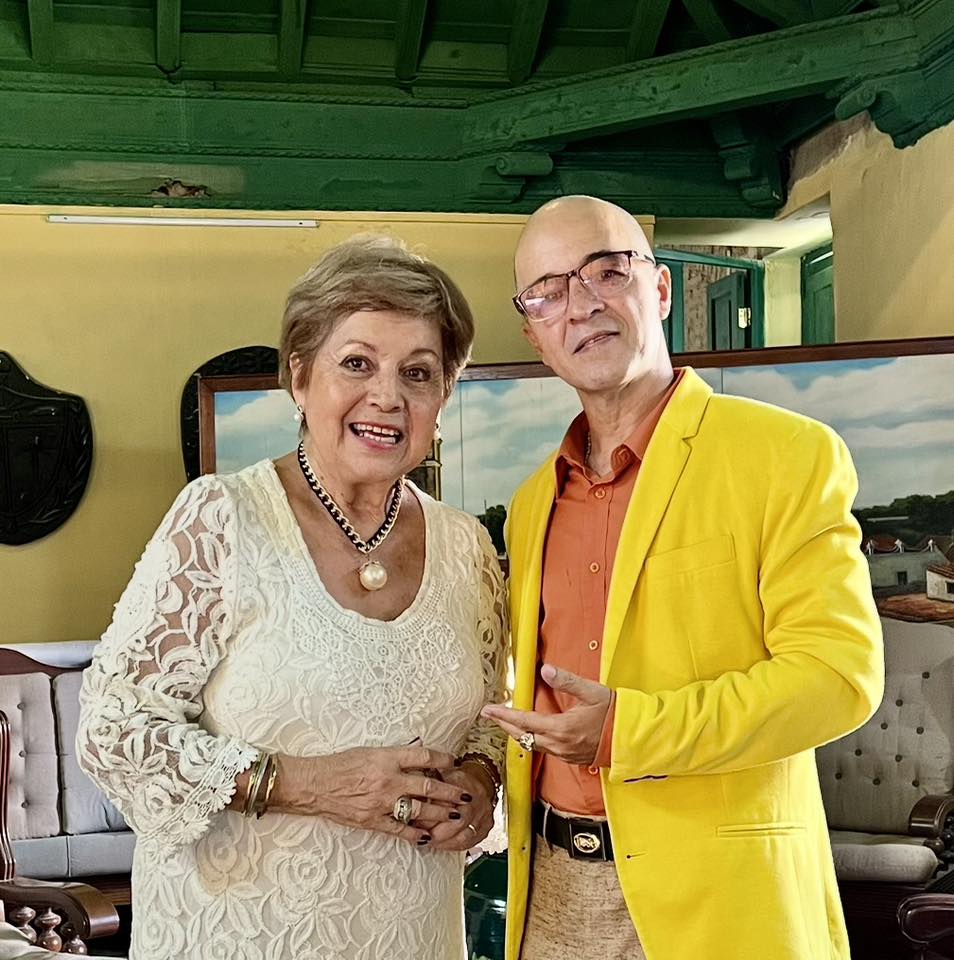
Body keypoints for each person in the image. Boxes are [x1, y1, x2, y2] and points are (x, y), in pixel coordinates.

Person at [76, 236, 508, 960]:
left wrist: (479, 784)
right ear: (300, 377)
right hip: (235, 936)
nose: (387, 396)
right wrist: (310, 783)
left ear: (443, 397)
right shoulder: (221, 519)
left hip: (413, 935)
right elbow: (113, 731)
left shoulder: (468, 548)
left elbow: (492, 724)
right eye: (357, 363)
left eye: (418, 373)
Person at [480, 196, 884, 960]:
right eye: (548, 292)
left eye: (607, 271)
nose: (582, 304)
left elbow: (838, 677)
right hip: (552, 896)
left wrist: (628, 732)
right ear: (533, 332)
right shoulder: (532, 504)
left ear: (660, 289)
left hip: (721, 902)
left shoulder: (785, 454)